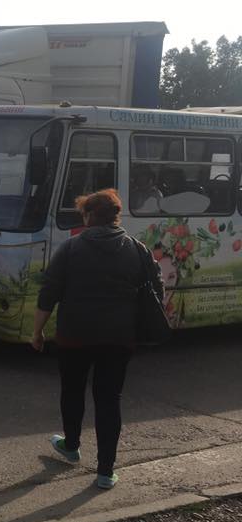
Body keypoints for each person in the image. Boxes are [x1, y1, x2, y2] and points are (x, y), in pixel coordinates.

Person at [32, 188, 163, 490]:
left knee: (72, 390)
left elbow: (48, 293)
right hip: (119, 338)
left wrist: (37, 332)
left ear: (90, 215)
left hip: (74, 335)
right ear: (116, 216)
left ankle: (71, 445)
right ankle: (105, 471)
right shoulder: (137, 249)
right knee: (109, 399)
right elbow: (157, 290)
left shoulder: (71, 248)